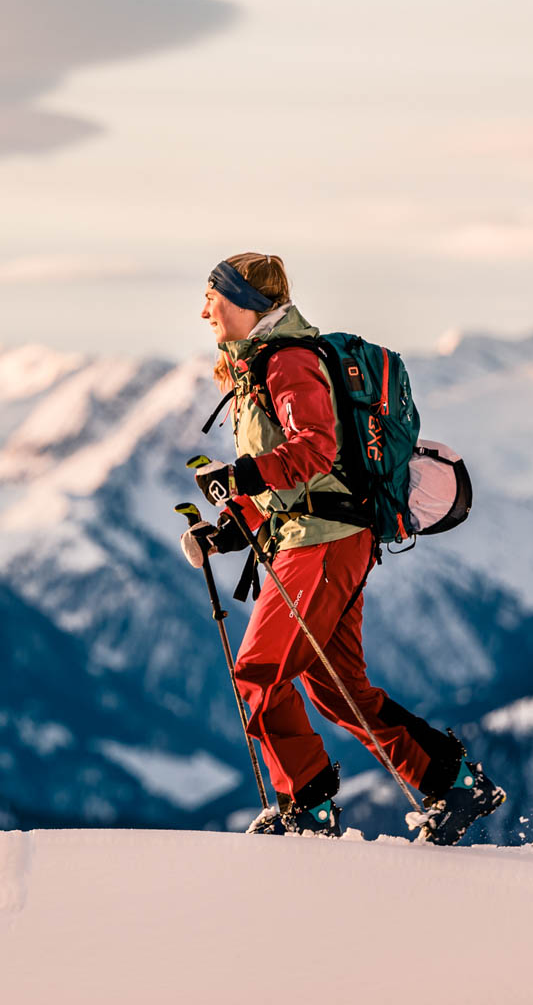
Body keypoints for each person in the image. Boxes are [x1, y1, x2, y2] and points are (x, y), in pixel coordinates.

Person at [180, 252, 501, 839]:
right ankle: (452, 785)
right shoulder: (261, 366)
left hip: (320, 544)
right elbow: (288, 475)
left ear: (244, 303)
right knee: (339, 690)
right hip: (321, 538)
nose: (204, 310)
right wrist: (229, 524)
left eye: (212, 297)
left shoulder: (289, 361)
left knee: (258, 674)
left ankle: (306, 806)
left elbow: (315, 451)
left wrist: (242, 477)